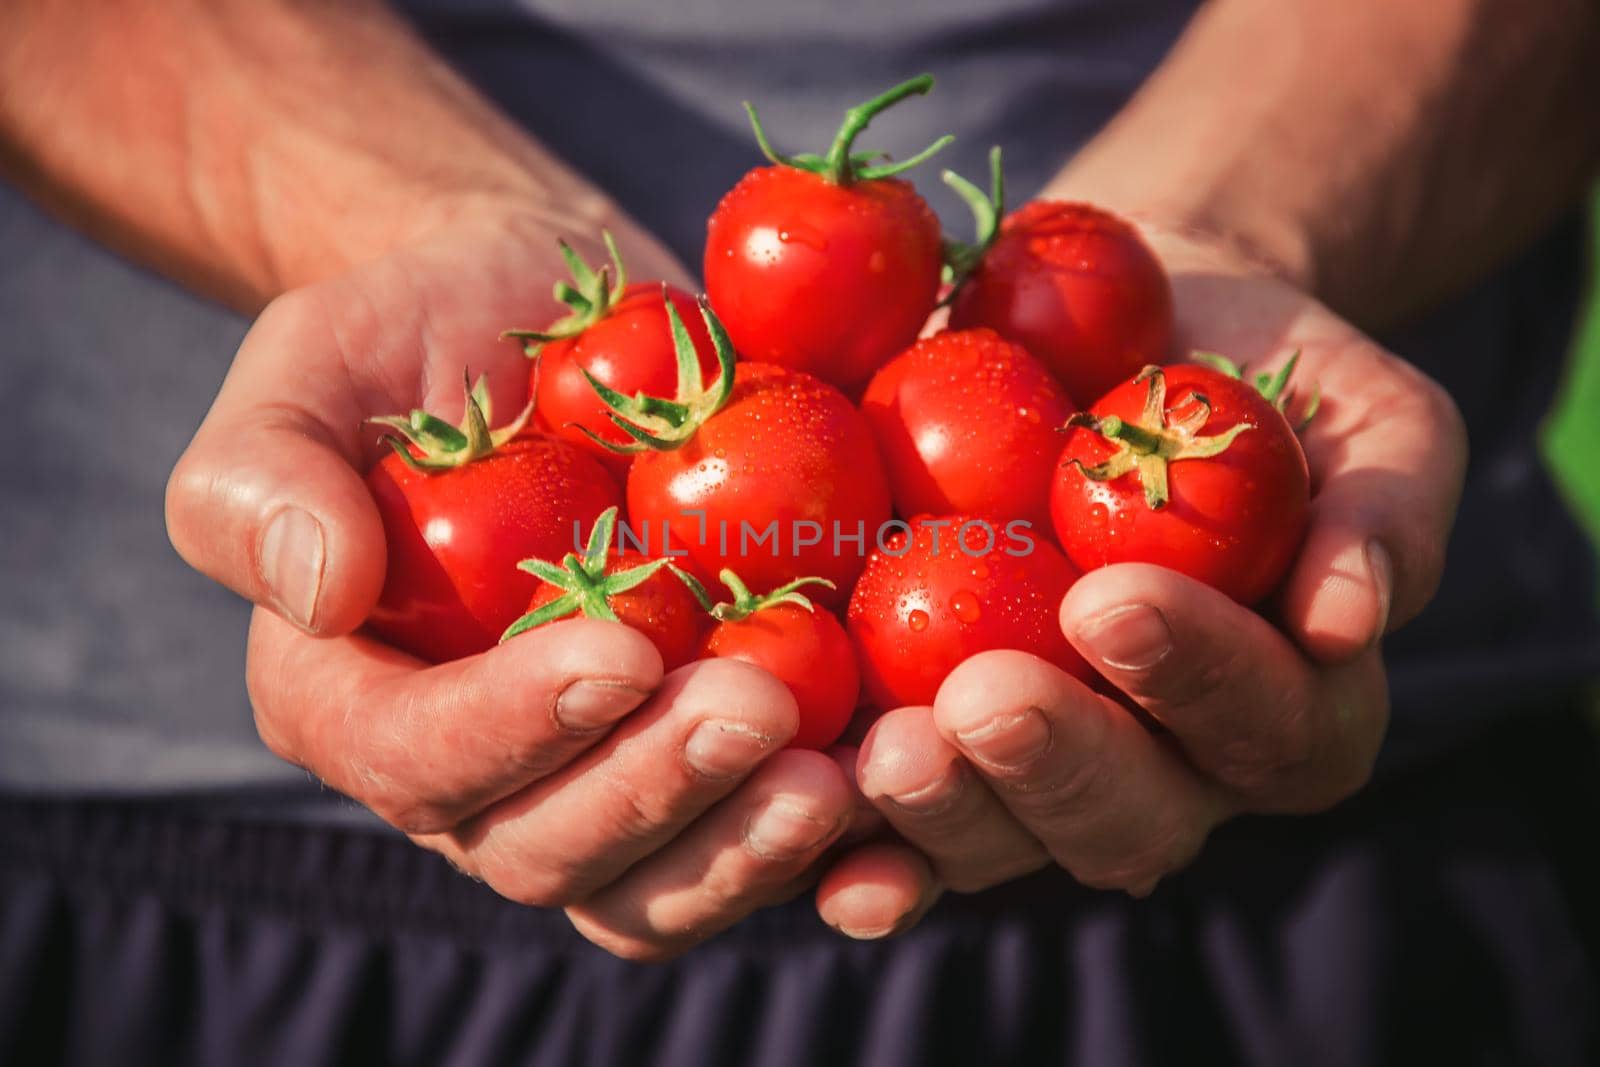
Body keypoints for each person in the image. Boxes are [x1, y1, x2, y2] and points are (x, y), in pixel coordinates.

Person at [2, 0, 1598, 1062]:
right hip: (197, 885)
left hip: (1326, 882)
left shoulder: (1027, 425)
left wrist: (1237, 242)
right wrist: (397, 221)